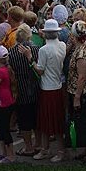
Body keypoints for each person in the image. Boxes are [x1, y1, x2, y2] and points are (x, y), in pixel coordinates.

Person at [28, 19, 66, 162]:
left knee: (46, 122)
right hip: (57, 86)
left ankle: (49, 150)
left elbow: (40, 70)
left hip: (47, 88)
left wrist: (30, 59)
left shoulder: (44, 50)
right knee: (56, 121)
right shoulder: (62, 45)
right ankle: (57, 150)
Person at [66, 20, 86, 163]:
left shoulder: (81, 53)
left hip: (84, 93)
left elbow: (82, 77)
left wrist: (77, 97)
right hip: (80, 92)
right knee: (83, 124)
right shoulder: (82, 47)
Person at [10, 24, 41, 156]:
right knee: (37, 119)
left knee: (24, 122)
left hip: (21, 89)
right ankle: (38, 144)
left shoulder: (11, 53)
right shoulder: (37, 50)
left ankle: (28, 147)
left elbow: (11, 73)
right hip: (36, 87)